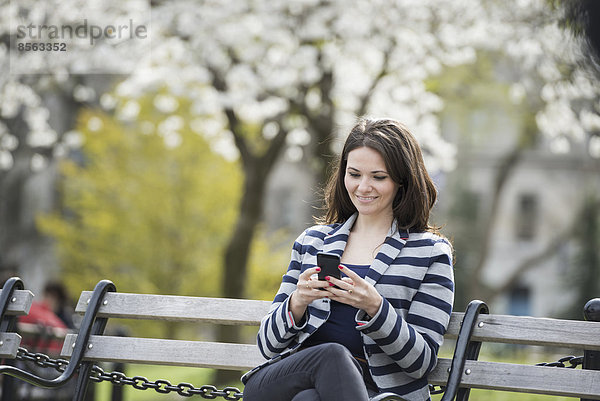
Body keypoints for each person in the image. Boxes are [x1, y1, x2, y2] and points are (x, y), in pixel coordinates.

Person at [242, 118, 455, 401]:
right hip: (281, 383)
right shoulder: (312, 241)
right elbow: (268, 345)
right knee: (330, 356)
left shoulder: (429, 253)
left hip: (376, 393)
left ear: (402, 181)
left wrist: (376, 307)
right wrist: (297, 302)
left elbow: (421, 363)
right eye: (354, 174)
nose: (363, 187)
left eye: (378, 177)